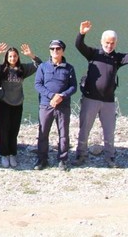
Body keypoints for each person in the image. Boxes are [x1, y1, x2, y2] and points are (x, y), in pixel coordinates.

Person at [75, 20, 128, 167]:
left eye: (112, 43)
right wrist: (82, 33)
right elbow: (79, 45)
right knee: (84, 129)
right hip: (90, 99)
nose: (109, 45)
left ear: (115, 43)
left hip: (109, 102)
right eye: (107, 42)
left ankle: (110, 157)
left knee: (109, 131)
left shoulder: (117, 58)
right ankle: (80, 154)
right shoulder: (93, 54)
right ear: (102, 41)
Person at [0, 43, 42, 169]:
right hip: (4, 103)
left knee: (14, 130)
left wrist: (31, 55)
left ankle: (12, 153)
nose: (12, 59)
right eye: (10, 56)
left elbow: (40, 65)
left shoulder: (23, 69)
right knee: (4, 130)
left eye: (15, 56)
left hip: (18, 103)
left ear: (18, 57)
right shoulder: (1, 69)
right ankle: (4, 154)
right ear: (6, 57)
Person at [34, 39, 78, 171]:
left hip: (63, 106)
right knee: (43, 133)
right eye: (52, 49)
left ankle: (63, 160)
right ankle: (42, 159)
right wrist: (52, 96)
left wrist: (62, 96)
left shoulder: (69, 68)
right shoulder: (43, 67)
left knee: (64, 133)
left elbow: (74, 87)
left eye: (58, 49)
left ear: (62, 51)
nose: (55, 51)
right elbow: (38, 84)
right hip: (46, 105)